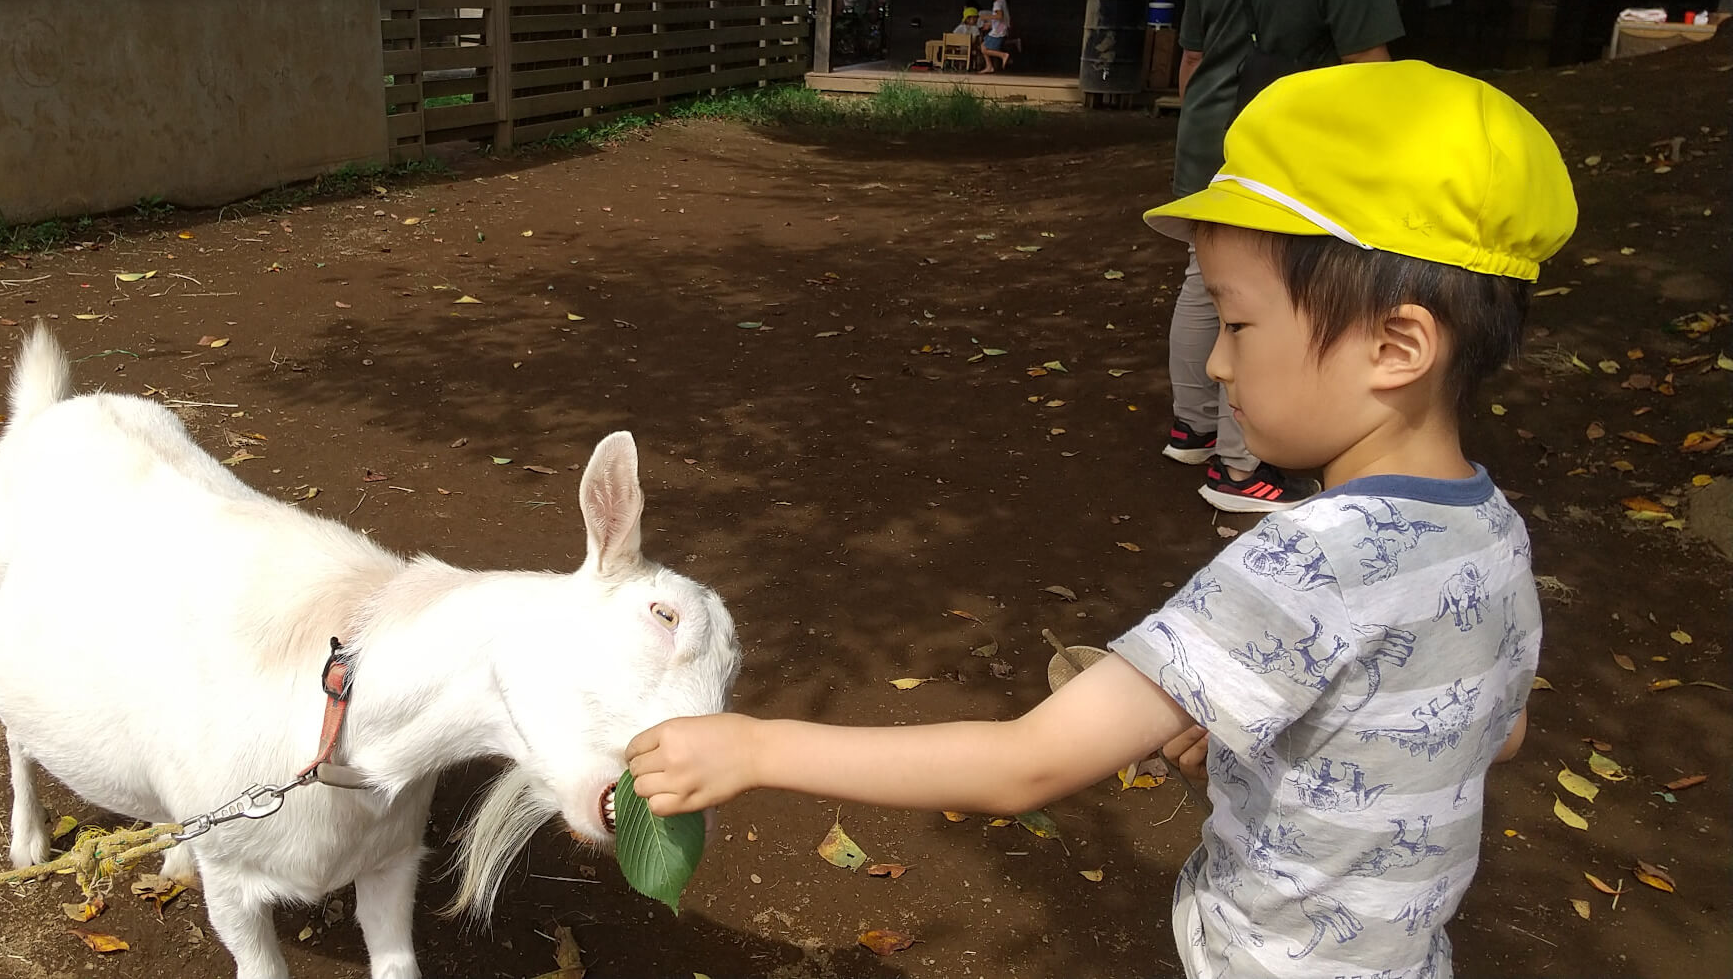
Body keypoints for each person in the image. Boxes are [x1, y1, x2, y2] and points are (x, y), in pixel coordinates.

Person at [627, 60, 1575, 979]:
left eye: (1238, 326)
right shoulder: (1493, 532)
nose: (1216, 368)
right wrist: (1290, 747)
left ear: (1395, 343)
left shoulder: (1307, 560)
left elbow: (1024, 763)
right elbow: (1491, 727)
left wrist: (754, 746)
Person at [1166, 0, 1403, 512]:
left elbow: (1189, 57)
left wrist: (1203, 136)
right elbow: (1369, 65)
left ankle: (1194, 426)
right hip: (1286, 141)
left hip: (1209, 132)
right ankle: (1244, 470)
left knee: (1205, 278)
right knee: (1267, 298)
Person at [978, 0, 1013, 72]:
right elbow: (1002, 19)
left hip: (998, 31)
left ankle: (1003, 55)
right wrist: (990, 25)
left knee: (984, 48)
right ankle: (989, 66)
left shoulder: (997, 3)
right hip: (1001, 29)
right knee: (983, 46)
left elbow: (999, 16)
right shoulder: (1003, 2)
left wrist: (986, 17)